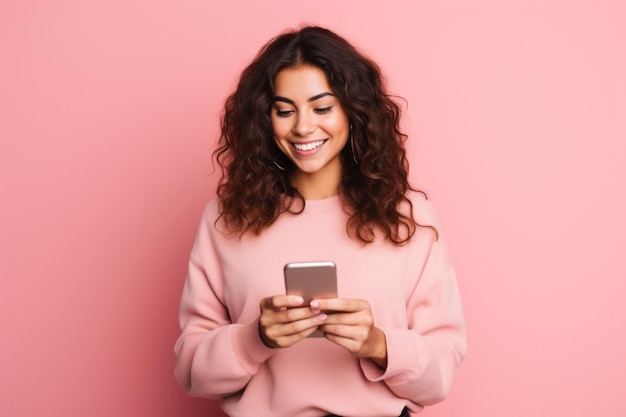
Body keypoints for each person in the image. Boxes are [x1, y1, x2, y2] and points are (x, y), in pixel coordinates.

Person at [174, 25, 466, 417]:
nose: (303, 127)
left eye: (322, 107)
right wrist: (254, 339)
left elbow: (442, 370)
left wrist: (378, 345)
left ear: (353, 110)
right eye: (284, 110)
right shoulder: (226, 219)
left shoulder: (408, 218)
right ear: (265, 117)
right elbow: (191, 371)